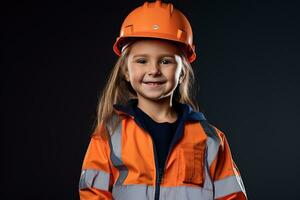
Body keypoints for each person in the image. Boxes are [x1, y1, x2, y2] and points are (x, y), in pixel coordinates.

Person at [78, 0, 247, 199]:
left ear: (182, 71)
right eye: (142, 61)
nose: (153, 70)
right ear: (125, 70)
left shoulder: (210, 139)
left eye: (166, 61)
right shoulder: (109, 134)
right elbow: (93, 194)